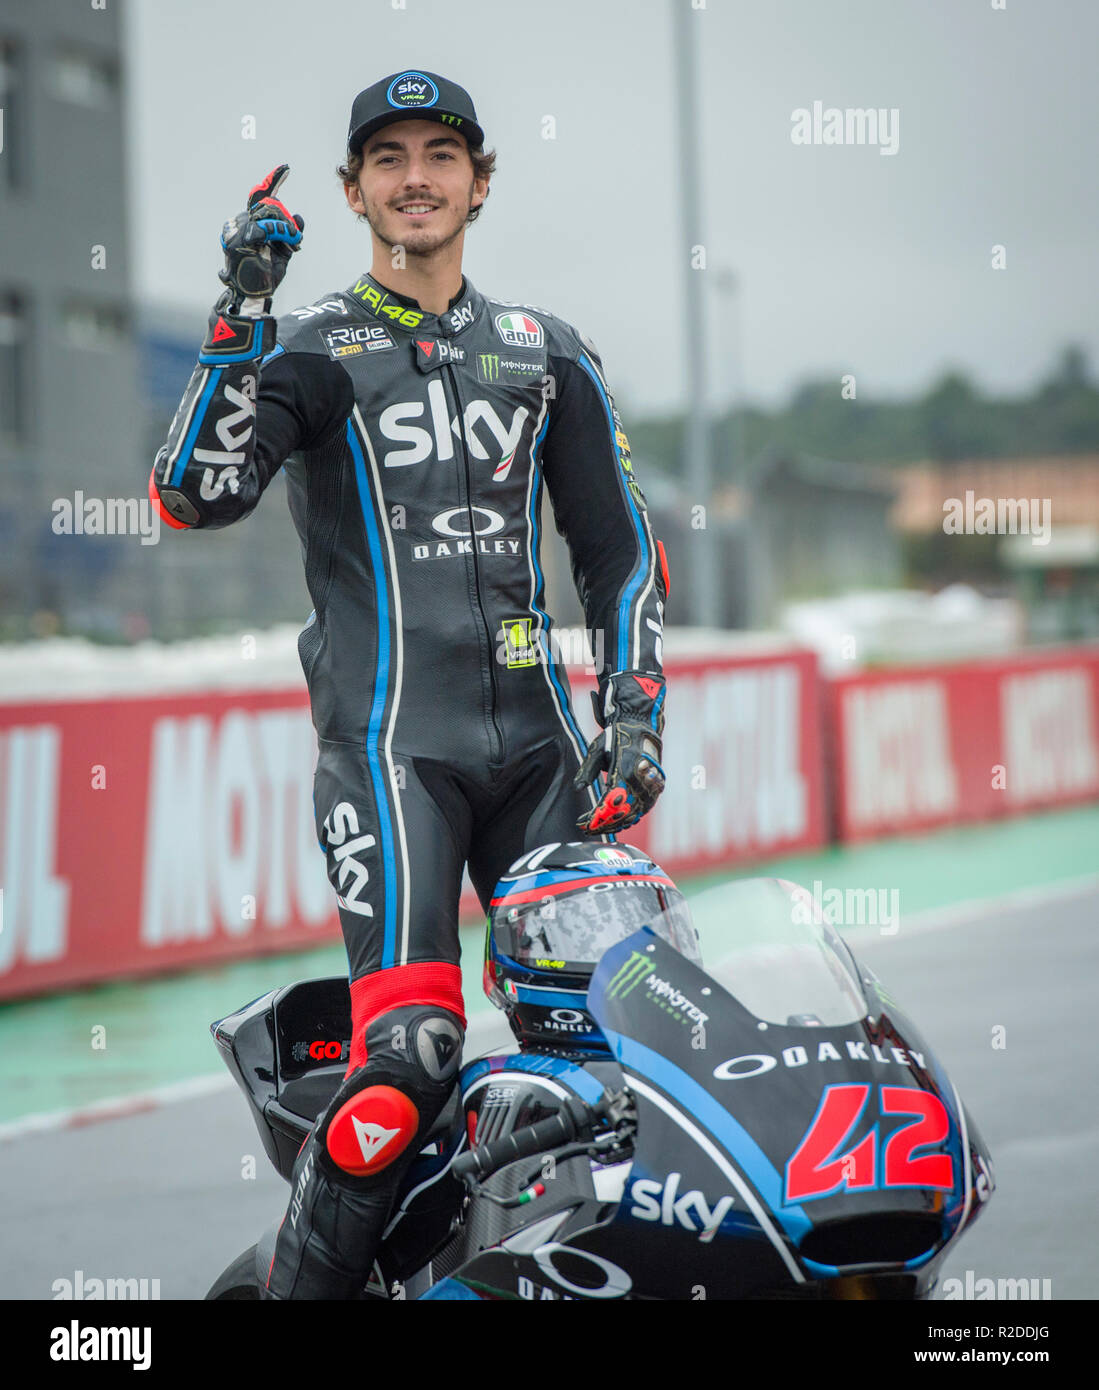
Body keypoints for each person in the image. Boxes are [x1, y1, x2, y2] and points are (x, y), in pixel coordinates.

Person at [150, 69, 669, 1299]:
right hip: (392, 760)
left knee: (631, 1055)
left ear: (481, 184)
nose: (416, 177)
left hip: (548, 760)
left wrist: (635, 712)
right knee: (411, 1056)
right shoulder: (312, 351)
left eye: (442, 155)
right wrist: (240, 307)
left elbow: (620, 550)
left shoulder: (547, 353)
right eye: (388, 159)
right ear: (352, 192)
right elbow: (192, 492)